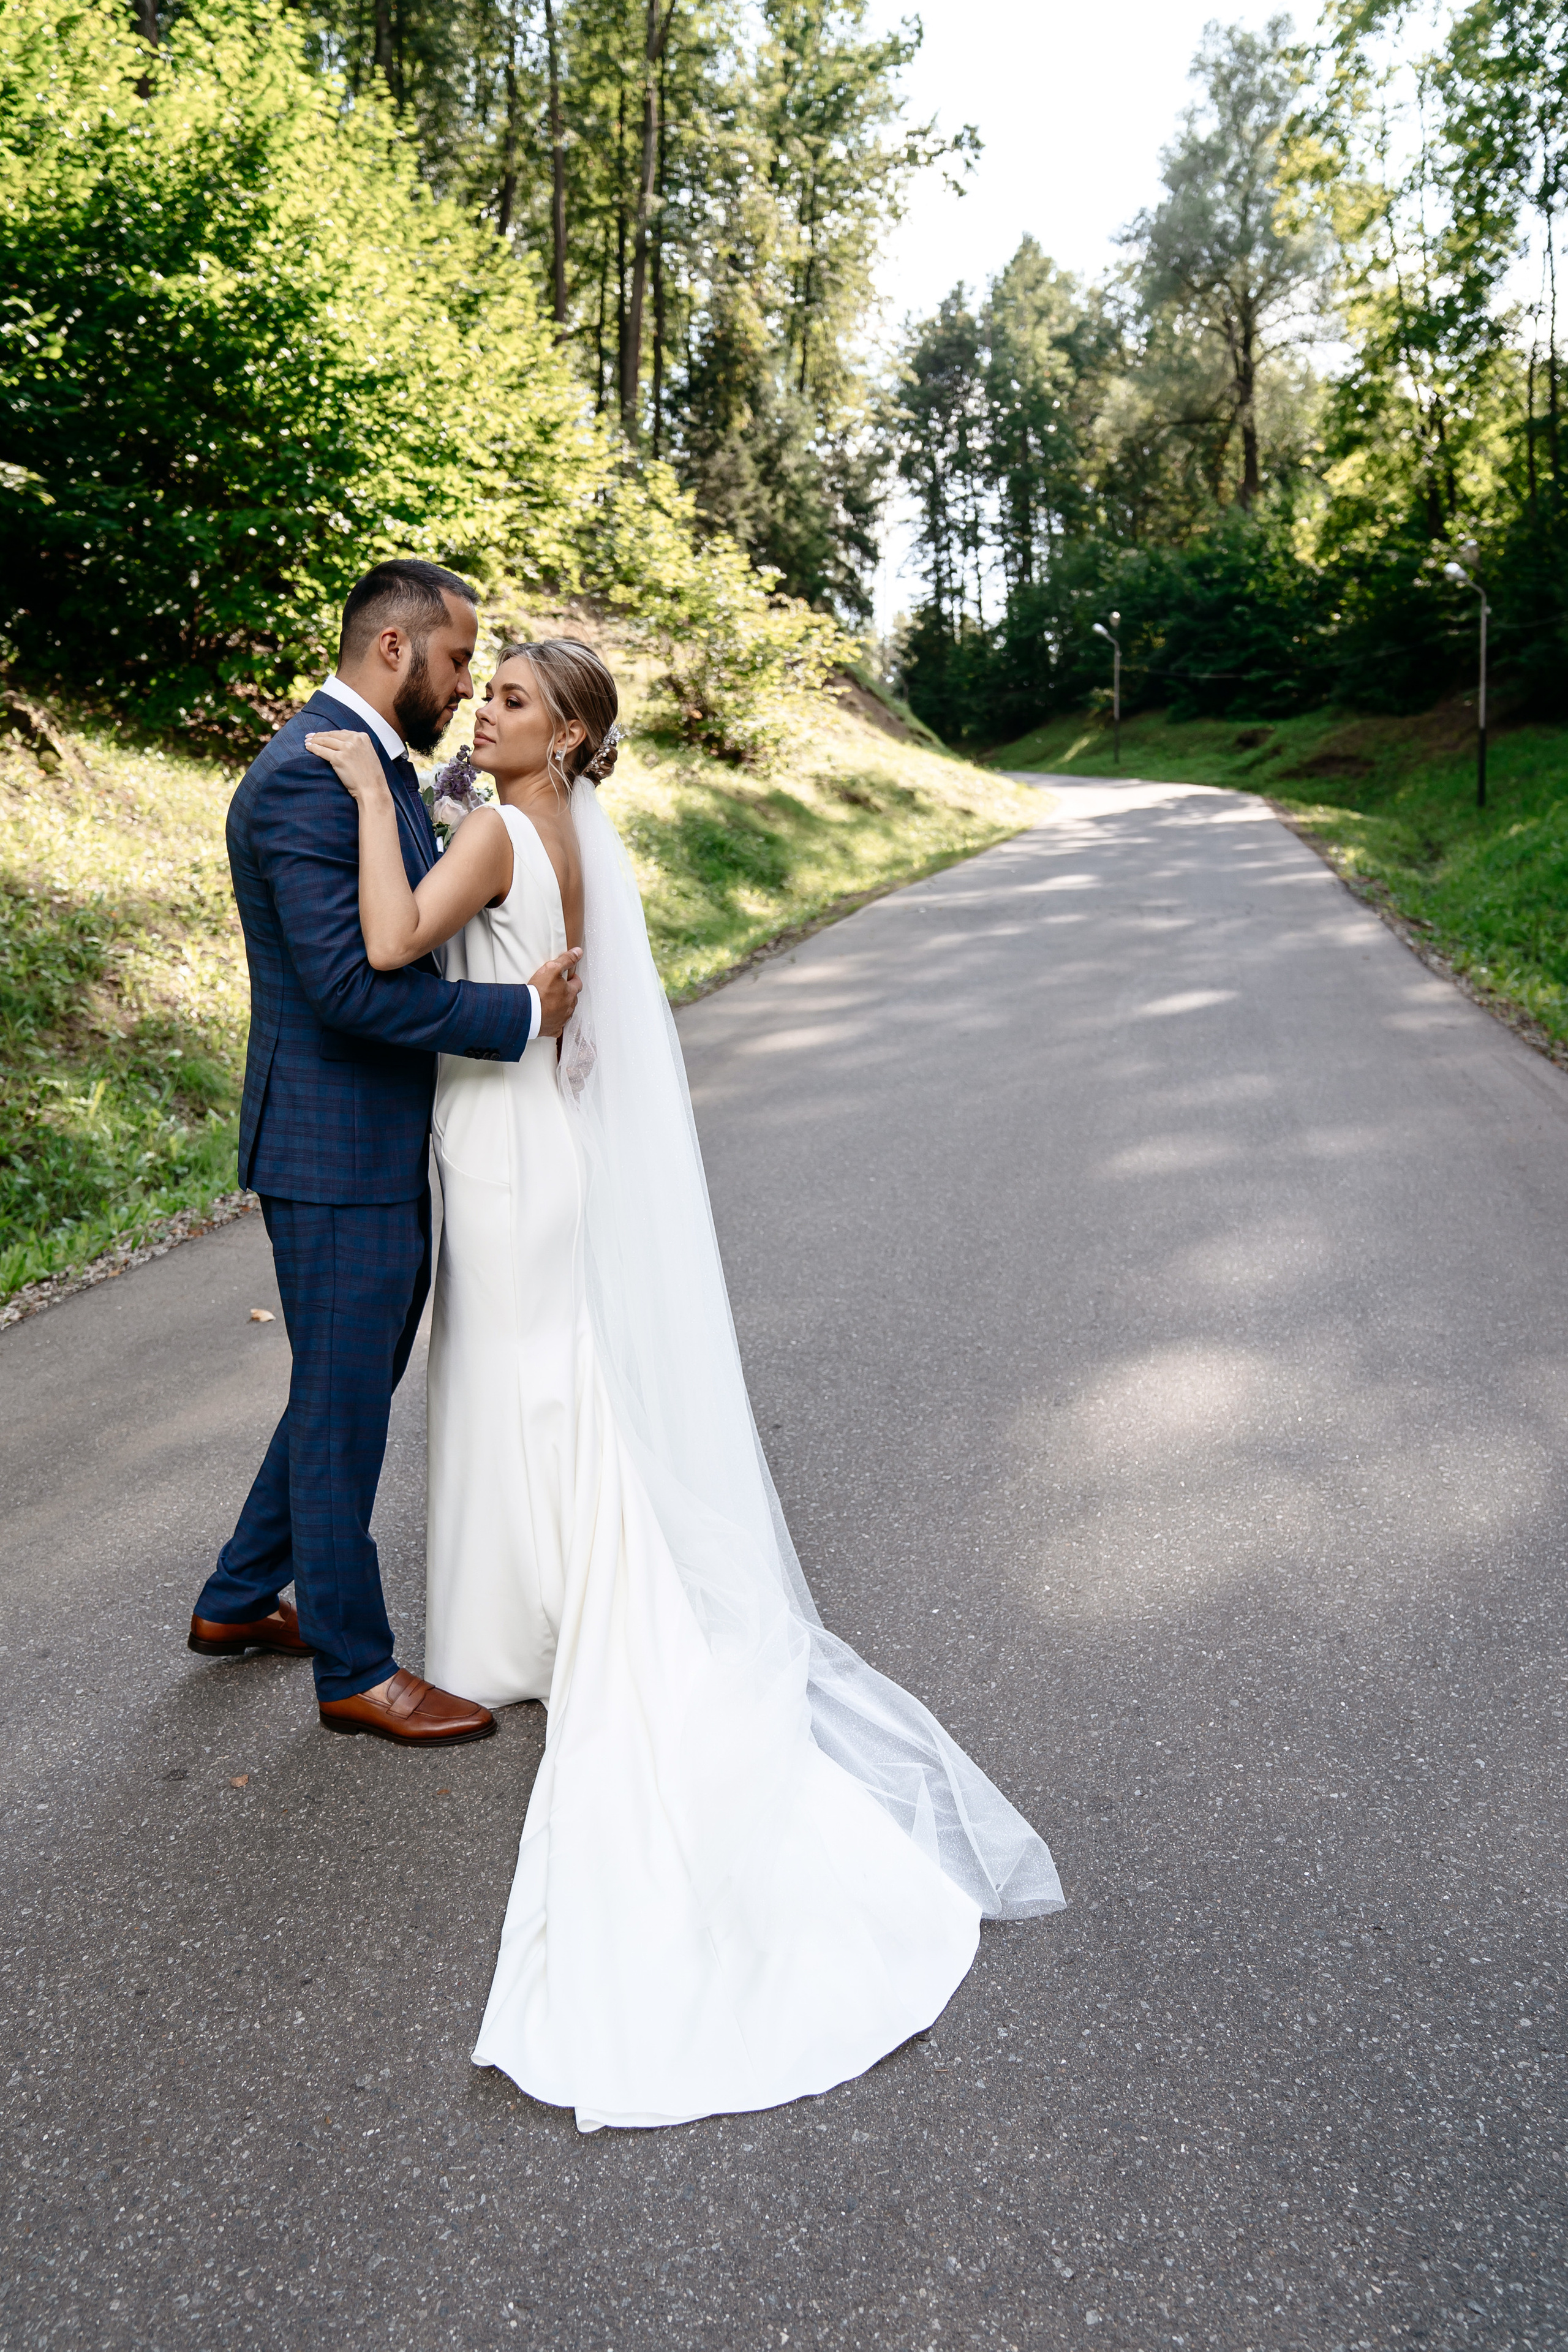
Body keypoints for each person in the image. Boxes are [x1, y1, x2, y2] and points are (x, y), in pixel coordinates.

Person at [307, 636, 1064, 2132]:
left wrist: (351, 790)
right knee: (546, 1376)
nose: (484, 711)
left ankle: (525, 1621)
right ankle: (550, 1603)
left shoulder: (498, 824)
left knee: (517, 1378)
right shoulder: (580, 833)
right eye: (489, 691)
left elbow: (391, 946)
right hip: (540, 1142)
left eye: (514, 699)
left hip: (502, 1146)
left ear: (570, 734)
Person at [187, 562, 581, 1747]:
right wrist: (518, 1019)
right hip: (336, 1140)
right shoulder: (313, 775)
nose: (467, 688)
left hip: (373, 1133)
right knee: (347, 1398)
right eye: (460, 662)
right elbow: (356, 990)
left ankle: (238, 1597)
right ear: (398, 651)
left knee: (338, 1382)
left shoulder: (372, 765)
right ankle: (357, 1669)